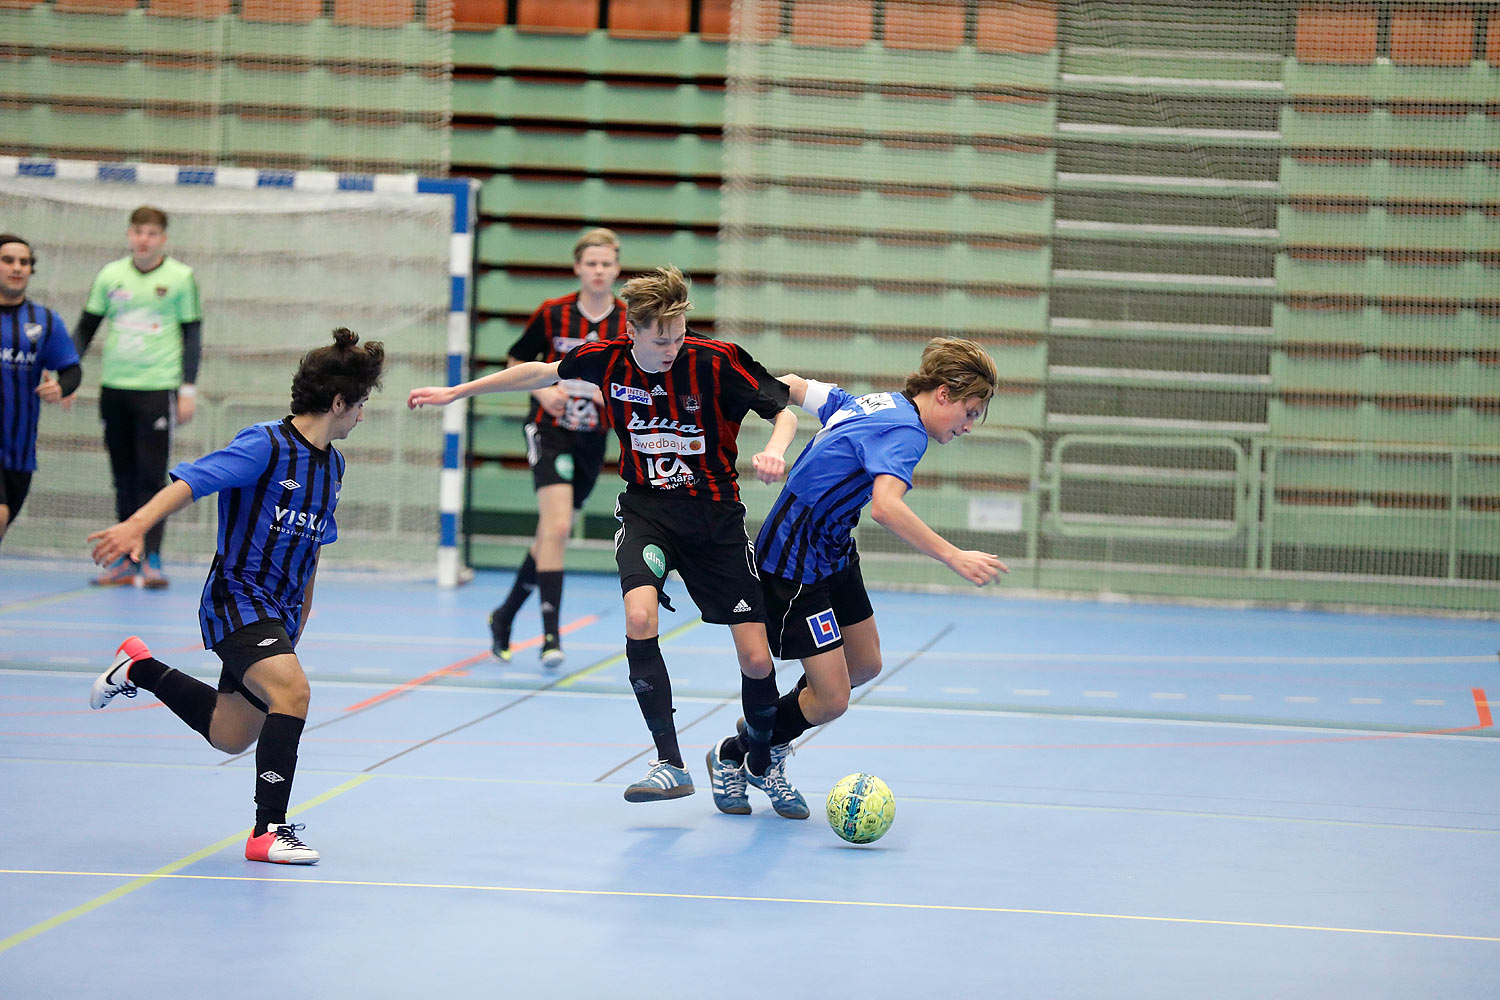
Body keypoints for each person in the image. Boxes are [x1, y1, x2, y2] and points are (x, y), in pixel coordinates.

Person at [410, 266, 800, 804]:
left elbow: (782, 410)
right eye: (661, 337)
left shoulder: (715, 360)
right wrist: (457, 391)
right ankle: (670, 763)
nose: (673, 345)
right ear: (633, 330)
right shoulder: (607, 359)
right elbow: (539, 372)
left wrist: (776, 449)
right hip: (648, 513)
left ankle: (757, 762)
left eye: (680, 331)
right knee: (640, 616)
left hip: (715, 519)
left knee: (757, 659)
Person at [87, 328, 385, 866]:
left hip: (279, 611)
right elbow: (193, 481)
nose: (362, 415)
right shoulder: (265, 444)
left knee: (229, 735)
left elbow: (315, 544)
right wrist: (136, 526)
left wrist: (301, 616)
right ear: (338, 402)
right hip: (236, 599)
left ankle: (138, 669)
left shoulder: (334, 466)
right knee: (292, 694)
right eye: (361, 404)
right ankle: (268, 831)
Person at [704, 338, 1009, 818]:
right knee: (832, 699)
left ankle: (762, 737)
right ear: (944, 395)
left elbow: (790, 387)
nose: (968, 426)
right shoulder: (907, 432)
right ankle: (740, 755)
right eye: (969, 412)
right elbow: (886, 507)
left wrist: (776, 441)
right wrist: (955, 556)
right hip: (795, 564)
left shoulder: (879, 402)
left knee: (865, 665)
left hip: (835, 550)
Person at [487, 228, 627, 669]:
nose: (599, 270)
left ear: (617, 269)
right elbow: (516, 359)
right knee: (560, 527)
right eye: (591, 263)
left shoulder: (627, 320)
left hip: (592, 437)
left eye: (606, 264)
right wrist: (542, 394)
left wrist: (614, 396)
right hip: (549, 430)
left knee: (551, 531)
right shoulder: (553, 314)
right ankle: (551, 637)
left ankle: (504, 615)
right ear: (578, 268)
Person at [74, 205, 203, 589]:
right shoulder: (110, 275)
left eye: (150, 233)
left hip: (157, 388)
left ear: (162, 238)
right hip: (115, 388)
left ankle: (152, 557)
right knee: (123, 476)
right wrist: (64, 375)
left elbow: (192, 336)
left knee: (151, 475)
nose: (142, 239)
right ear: (129, 235)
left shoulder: (180, 278)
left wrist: (187, 388)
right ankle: (124, 560)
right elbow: (84, 330)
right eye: (137, 232)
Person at [1, 235, 83, 549]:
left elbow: (72, 371)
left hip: (20, 451)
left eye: (24, 262)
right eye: (8, 260)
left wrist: (61, 387)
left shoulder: (44, 321)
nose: (17, 268)